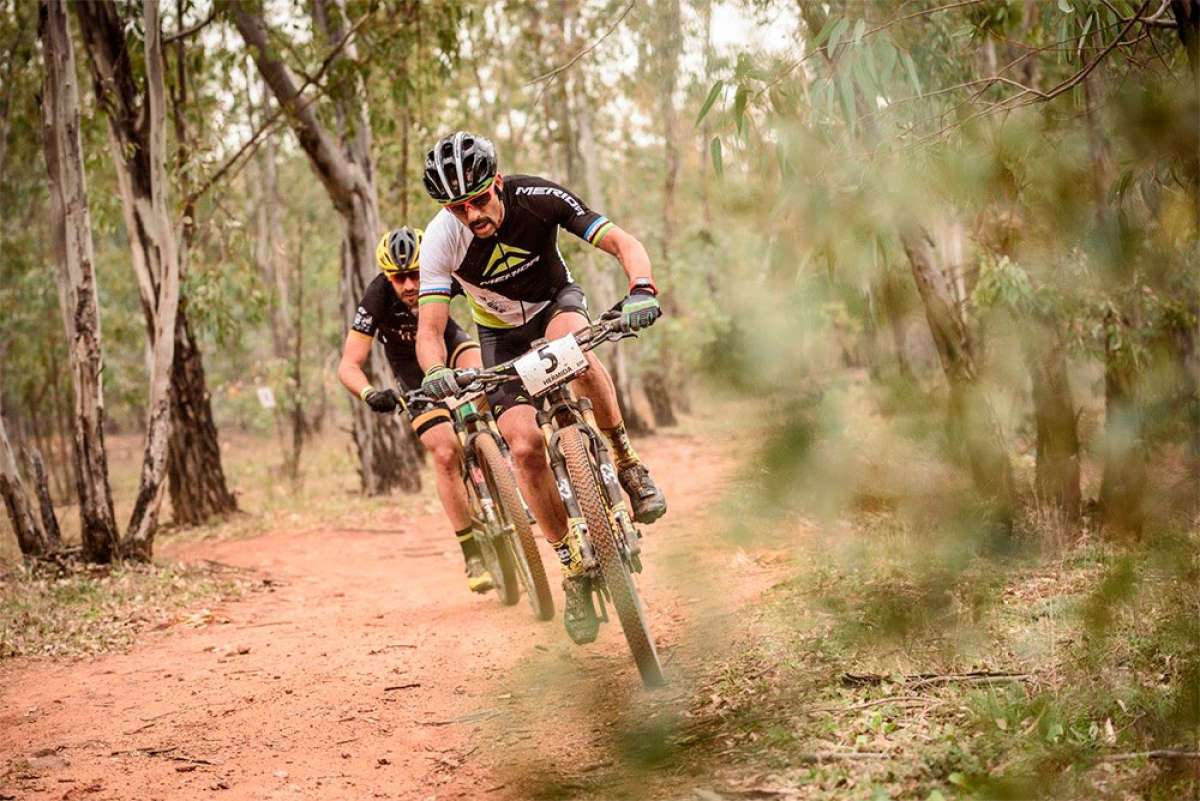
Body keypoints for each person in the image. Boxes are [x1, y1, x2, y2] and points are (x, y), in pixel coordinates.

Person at [413, 131, 667, 643]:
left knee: (575, 352)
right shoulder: (441, 238)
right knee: (524, 447)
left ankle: (626, 461)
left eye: (480, 200)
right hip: (499, 337)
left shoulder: (537, 197)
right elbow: (429, 329)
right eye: (459, 208)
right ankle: (572, 565)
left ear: (498, 183)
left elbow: (621, 241)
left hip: (556, 304)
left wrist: (641, 287)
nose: (473, 215)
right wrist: (436, 370)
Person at [337, 226, 493, 594]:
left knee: (483, 374)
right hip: (411, 372)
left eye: (415, 275)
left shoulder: (444, 272)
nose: (408, 285)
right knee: (443, 453)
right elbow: (348, 364)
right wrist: (370, 393)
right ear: (387, 276)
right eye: (399, 277)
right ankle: (472, 553)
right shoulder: (377, 295)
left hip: (448, 345)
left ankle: (495, 457)